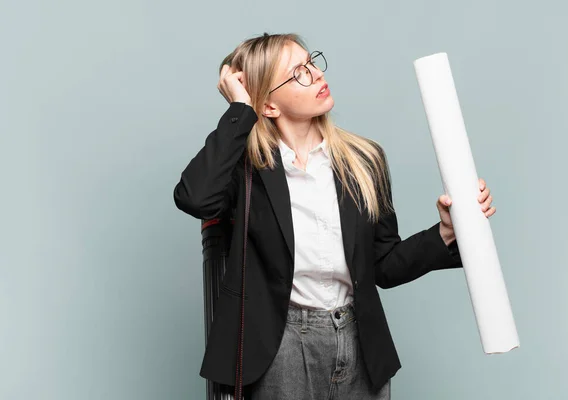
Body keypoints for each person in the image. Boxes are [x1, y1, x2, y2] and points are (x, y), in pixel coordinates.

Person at [173, 32, 496, 400]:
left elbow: (385, 265)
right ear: (270, 106)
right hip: (279, 347)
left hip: (360, 345)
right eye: (298, 73)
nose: (317, 75)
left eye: (311, 62)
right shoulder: (245, 168)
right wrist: (240, 109)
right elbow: (195, 197)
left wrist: (445, 233)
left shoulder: (364, 159)